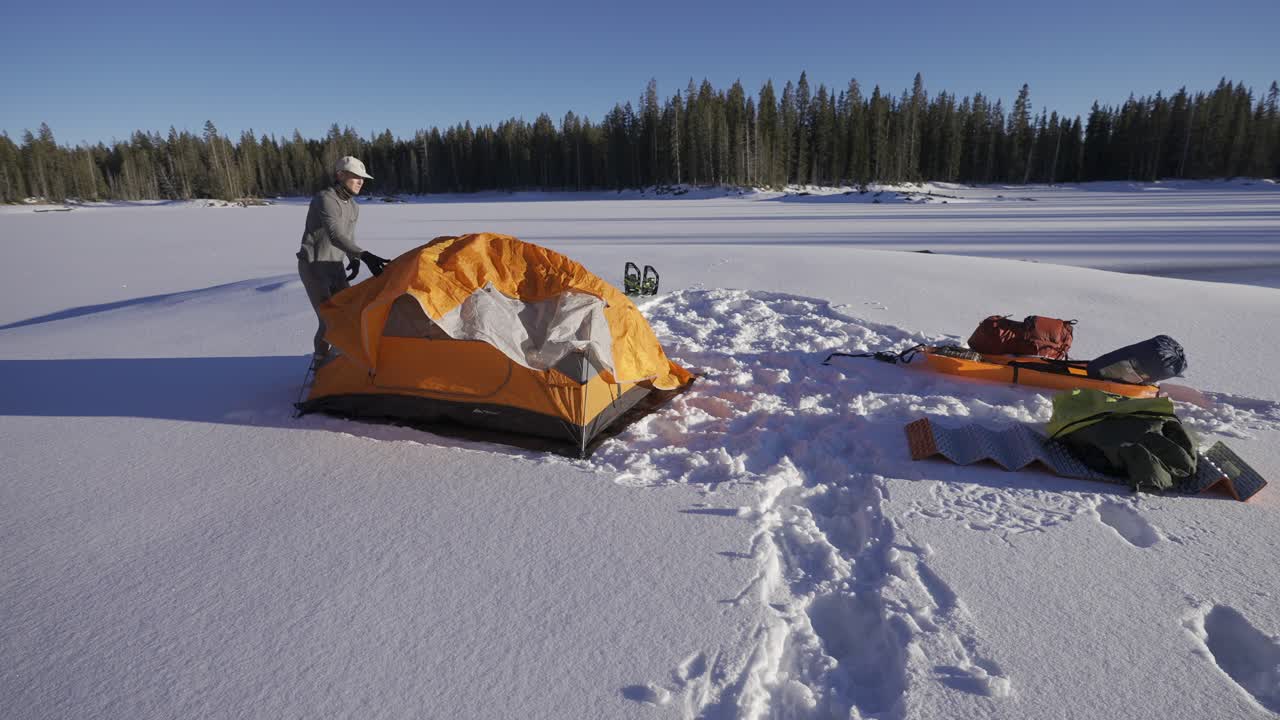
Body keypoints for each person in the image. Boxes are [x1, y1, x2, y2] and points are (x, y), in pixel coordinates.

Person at [297, 156, 391, 364]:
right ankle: (320, 363)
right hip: (314, 266)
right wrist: (363, 255)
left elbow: (347, 235)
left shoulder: (353, 206)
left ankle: (342, 358)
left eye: (363, 178)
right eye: (356, 177)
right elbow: (334, 235)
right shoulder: (325, 199)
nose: (361, 181)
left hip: (335, 265)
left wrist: (353, 258)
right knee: (329, 319)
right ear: (340, 175)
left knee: (349, 313)